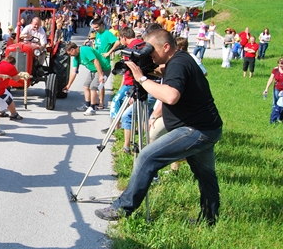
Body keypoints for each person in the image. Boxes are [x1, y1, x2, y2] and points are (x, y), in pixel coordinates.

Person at [95, 29, 223, 225]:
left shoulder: (178, 63)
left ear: (166, 46)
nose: (150, 54)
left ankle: (123, 208)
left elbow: (171, 96)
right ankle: (210, 220)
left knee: (146, 157)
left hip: (195, 130)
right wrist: (146, 70)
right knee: (206, 176)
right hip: (207, 127)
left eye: (151, 50)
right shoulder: (179, 60)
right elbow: (166, 73)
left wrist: (142, 79)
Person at [63, 42, 112, 116]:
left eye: (70, 54)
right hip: (93, 70)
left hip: (103, 68)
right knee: (86, 86)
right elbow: (74, 72)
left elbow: (96, 61)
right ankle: (87, 105)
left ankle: (92, 108)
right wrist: (68, 85)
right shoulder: (76, 57)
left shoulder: (85, 50)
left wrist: (101, 75)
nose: (70, 56)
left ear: (73, 49)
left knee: (93, 87)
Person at [0, 56, 23, 121]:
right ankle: (14, 114)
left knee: (5, 93)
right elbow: (16, 79)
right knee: (9, 98)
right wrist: (20, 75)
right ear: (13, 64)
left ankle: (1, 112)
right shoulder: (11, 67)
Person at [263, 58, 283, 123]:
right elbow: (271, 79)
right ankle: (274, 119)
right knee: (275, 104)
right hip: (276, 89)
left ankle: (280, 118)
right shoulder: (275, 70)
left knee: (281, 105)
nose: (281, 65)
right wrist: (266, 89)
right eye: (280, 63)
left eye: (282, 64)